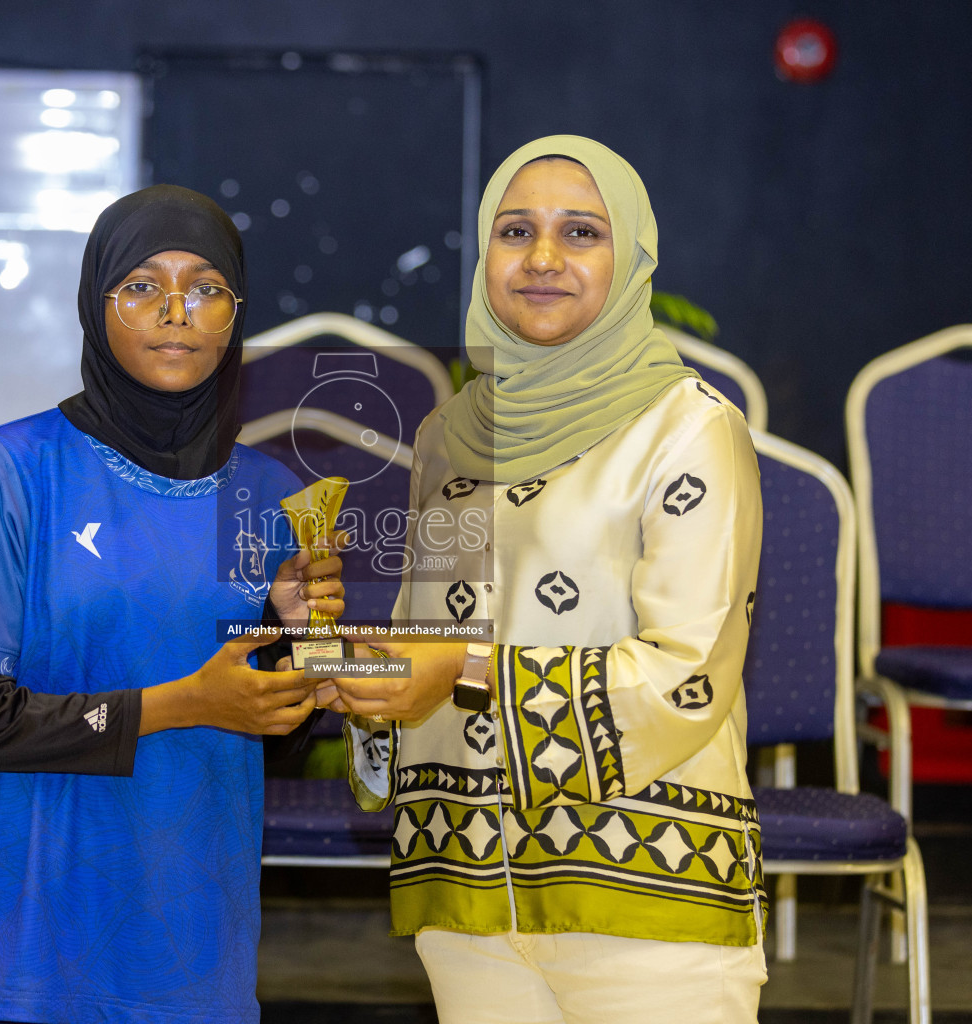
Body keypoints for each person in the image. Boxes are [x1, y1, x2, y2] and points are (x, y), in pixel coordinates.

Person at [326, 136, 767, 1023]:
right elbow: (435, 638)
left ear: (633, 257)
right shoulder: (450, 436)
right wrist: (361, 675)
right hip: (466, 896)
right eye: (515, 230)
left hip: (644, 887)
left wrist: (463, 667)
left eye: (581, 233)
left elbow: (687, 673)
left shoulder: (688, 430)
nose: (542, 259)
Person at [0, 184, 342, 1024]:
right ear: (95, 305)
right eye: (142, 286)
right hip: (24, 957)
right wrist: (183, 703)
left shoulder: (269, 494)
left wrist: (301, 641)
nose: (176, 311)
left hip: (191, 950)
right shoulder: (16, 470)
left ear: (235, 315)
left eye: (207, 288)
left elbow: (280, 743)